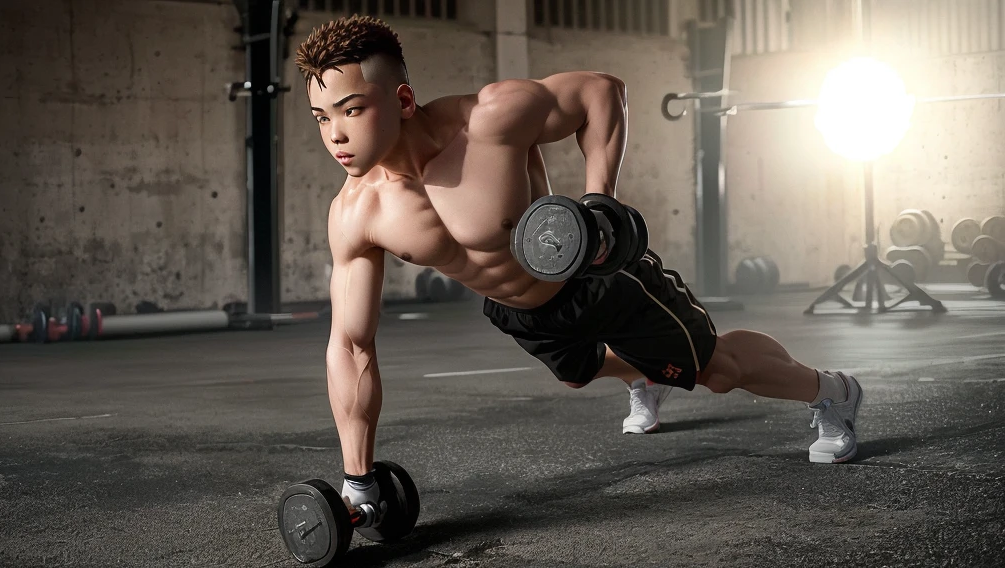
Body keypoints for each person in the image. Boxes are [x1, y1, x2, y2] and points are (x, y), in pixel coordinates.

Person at [294, 16, 863, 512]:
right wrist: (357, 479)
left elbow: (600, 92)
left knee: (717, 372)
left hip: (595, 278)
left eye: (352, 110)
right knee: (580, 371)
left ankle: (831, 391)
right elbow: (350, 346)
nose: (336, 135)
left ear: (401, 99)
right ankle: (644, 374)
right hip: (519, 311)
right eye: (321, 117)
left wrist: (598, 206)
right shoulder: (356, 214)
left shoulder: (489, 121)